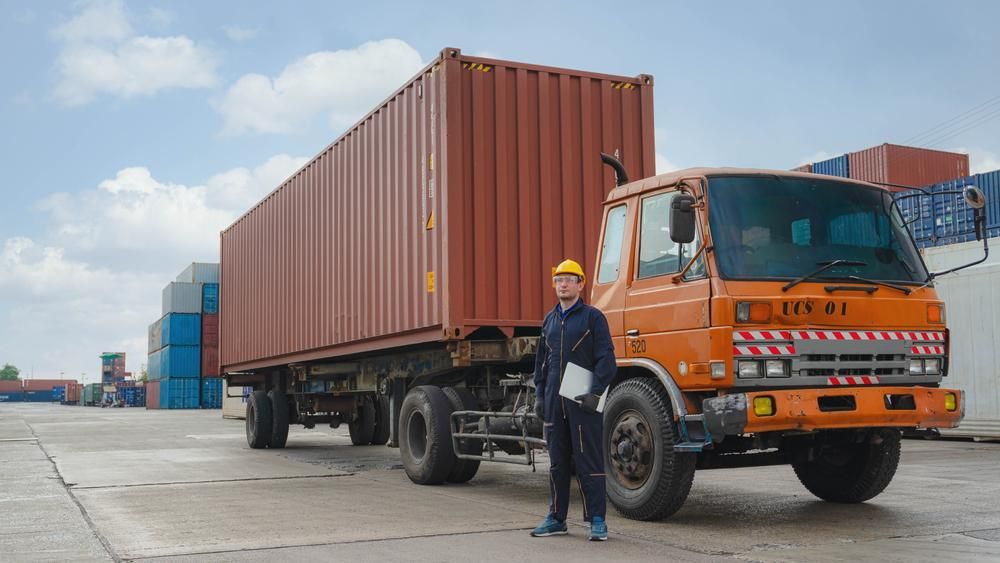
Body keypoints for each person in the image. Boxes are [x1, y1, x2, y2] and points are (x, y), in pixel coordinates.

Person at [530, 259, 616, 541]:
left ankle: (597, 520)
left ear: (581, 284)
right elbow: (542, 362)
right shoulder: (550, 320)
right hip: (555, 400)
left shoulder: (593, 318)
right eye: (558, 279)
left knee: (588, 460)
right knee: (556, 462)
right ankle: (556, 517)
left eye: (569, 279)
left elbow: (606, 358)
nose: (563, 284)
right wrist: (540, 396)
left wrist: (596, 392)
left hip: (583, 401)